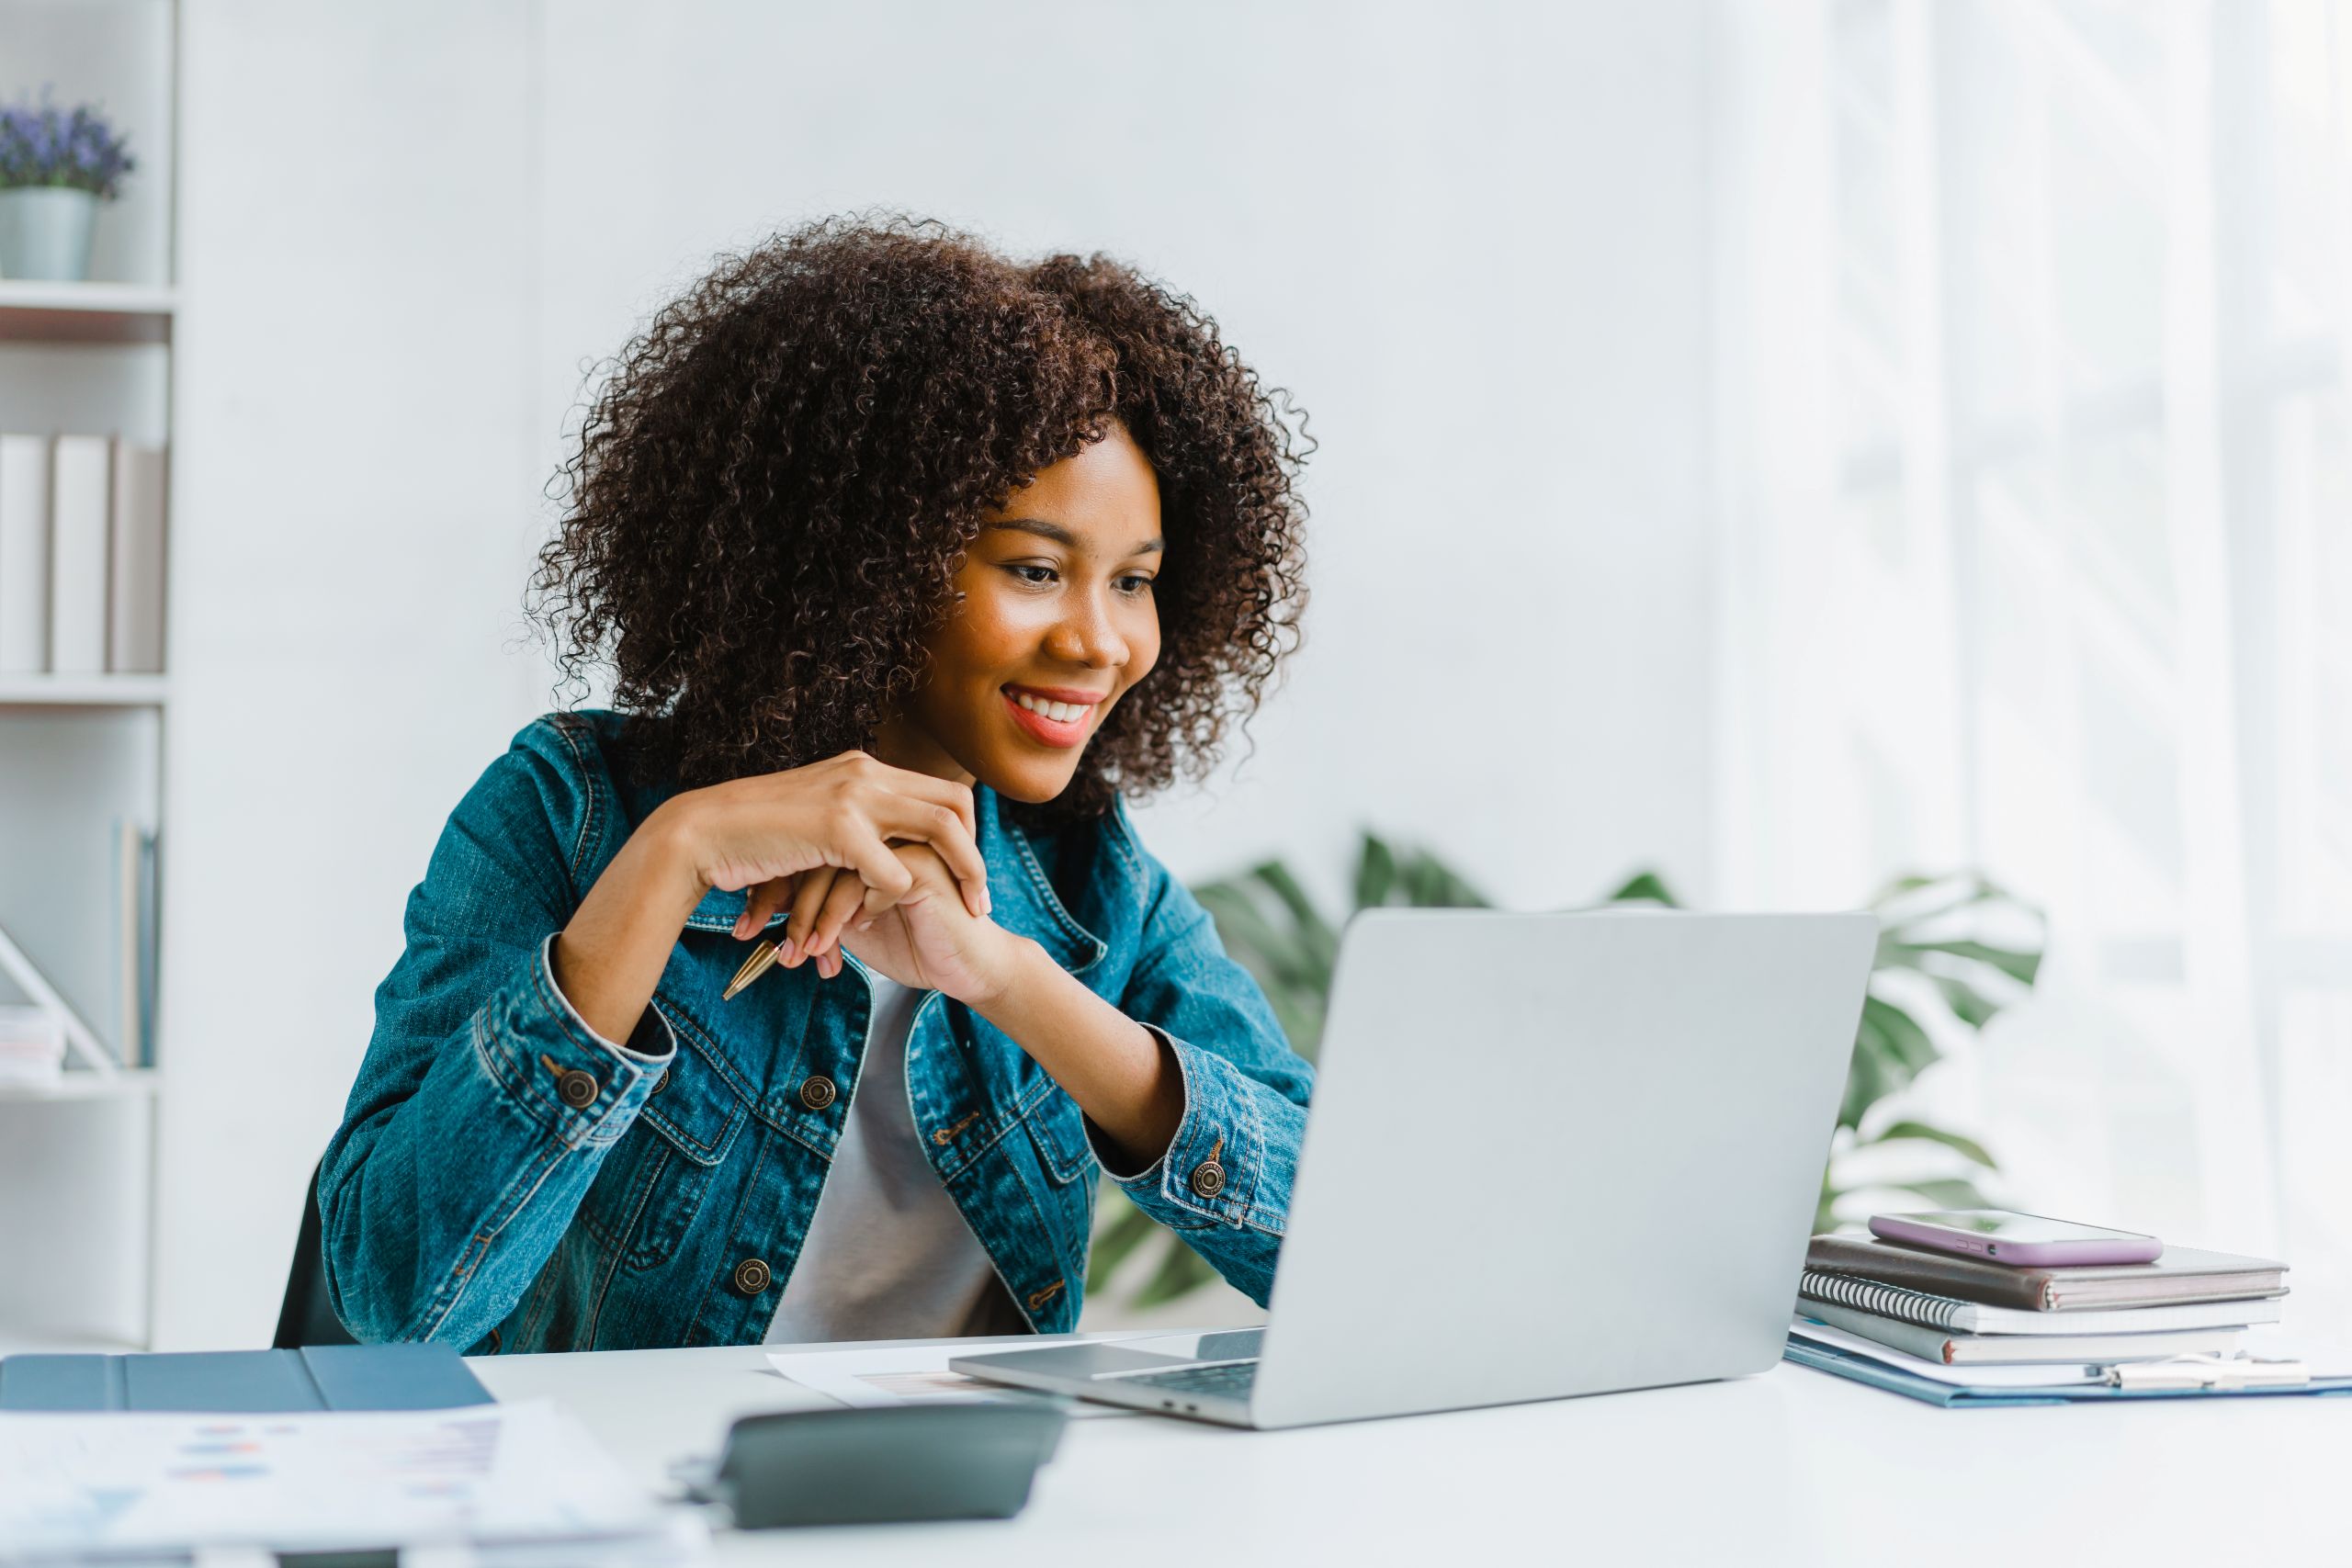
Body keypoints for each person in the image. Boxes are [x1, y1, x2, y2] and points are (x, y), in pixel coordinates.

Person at [319, 216, 1315, 1352]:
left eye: (1134, 583)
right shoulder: (569, 812)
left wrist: (1005, 979)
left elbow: (1351, 1255)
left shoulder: (1091, 880)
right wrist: (669, 859)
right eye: (1036, 570)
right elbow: (395, 1299)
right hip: (631, 1514)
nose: (1102, 643)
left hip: (962, 1519)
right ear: (870, 563)